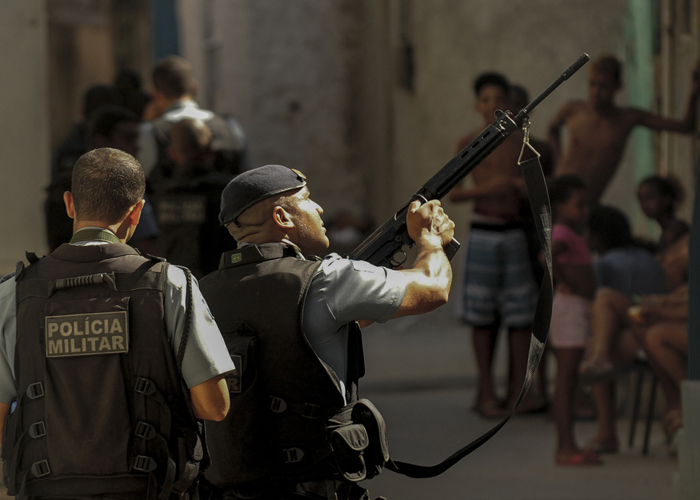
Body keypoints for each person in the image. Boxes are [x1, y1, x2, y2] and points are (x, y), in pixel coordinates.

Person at [198, 164, 454, 500]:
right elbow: (434, 288)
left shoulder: (200, 292)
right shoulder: (326, 280)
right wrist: (430, 239)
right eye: (307, 199)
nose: (318, 208)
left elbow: (317, 331)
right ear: (282, 217)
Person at [0, 147, 234, 498]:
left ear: (69, 204)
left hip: (45, 487)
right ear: (137, 211)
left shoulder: (13, 294)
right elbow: (214, 406)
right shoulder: (169, 283)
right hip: (148, 486)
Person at [449, 72, 545, 418]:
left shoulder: (523, 141)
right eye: (487, 100)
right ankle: (485, 392)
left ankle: (520, 392)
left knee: (521, 315)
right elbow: (455, 192)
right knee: (482, 316)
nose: (494, 106)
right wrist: (490, 188)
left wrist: (522, 189)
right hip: (484, 232)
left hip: (516, 233)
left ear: (510, 103)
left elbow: (541, 191)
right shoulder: (469, 141)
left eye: (500, 99)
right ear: (478, 106)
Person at [548, 54, 700, 203]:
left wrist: (694, 93)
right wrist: (558, 164)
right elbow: (552, 129)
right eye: (592, 84)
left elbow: (685, 127)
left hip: (588, 204)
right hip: (558, 196)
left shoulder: (627, 119)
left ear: (617, 86)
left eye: (603, 86)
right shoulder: (574, 109)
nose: (596, 92)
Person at [579, 205, 667, 454]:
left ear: (597, 236)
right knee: (601, 348)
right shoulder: (646, 257)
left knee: (595, 348)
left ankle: (607, 433)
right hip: (648, 329)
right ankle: (600, 358)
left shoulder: (605, 263)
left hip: (645, 331)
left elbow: (597, 308)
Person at [547, 175, 600, 466]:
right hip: (570, 310)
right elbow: (546, 260)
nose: (585, 211)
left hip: (575, 309)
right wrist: (568, 281)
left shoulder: (570, 233)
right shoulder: (562, 234)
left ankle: (569, 445)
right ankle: (565, 447)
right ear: (559, 206)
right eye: (578, 205)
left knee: (570, 381)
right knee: (566, 381)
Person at [139, 55, 250, 181]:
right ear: (194, 88)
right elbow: (246, 174)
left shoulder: (150, 132)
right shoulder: (230, 126)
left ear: (155, 94)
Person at [152, 118, 235, 277]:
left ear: (172, 153)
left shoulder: (156, 194)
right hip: (217, 286)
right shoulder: (229, 191)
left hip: (171, 288)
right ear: (209, 149)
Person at [637, 174, 690, 252]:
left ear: (666, 199)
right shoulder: (667, 230)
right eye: (641, 200)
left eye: (650, 198)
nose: (645, 205)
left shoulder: (674, 231)